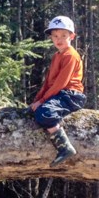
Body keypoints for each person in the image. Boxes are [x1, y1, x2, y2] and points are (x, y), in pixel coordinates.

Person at [29, 15, 85, 166]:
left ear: (71, 36)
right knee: (33, 111)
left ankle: (65, 147)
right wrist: (37, 100)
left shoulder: (71, 55)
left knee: (45, 112)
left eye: (63, 36)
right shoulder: (56, 56)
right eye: (55, 36)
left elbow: (61, 83)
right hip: (59, 93)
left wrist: (42, 101)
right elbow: (48, 82)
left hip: (71, 95)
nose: (59, 39)